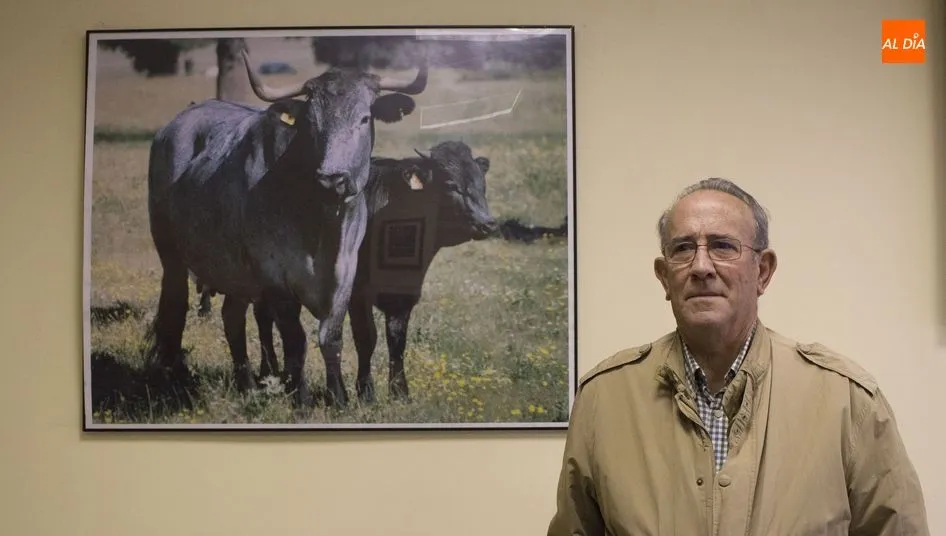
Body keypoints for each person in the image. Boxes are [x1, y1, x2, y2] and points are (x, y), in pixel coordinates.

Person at [547, 178, 929, 535]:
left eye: (722, 246)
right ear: (664, 277)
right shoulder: (605, 399)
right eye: (683, 249)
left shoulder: (846, 401)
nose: (700, 266)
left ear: (762, 271)